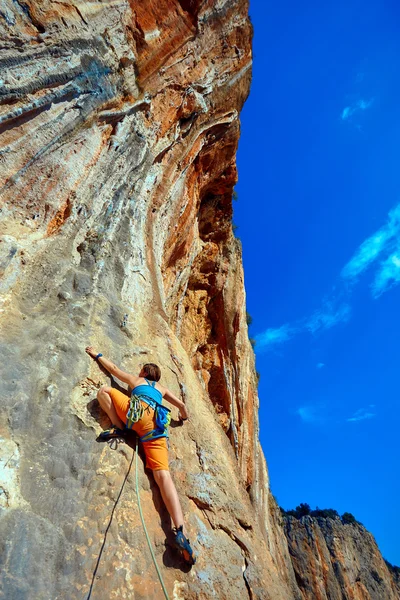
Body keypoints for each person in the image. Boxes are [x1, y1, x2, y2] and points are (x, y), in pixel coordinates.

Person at [85, 346, 195, 564]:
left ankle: (119, 427)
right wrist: (182, 417)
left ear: (144, 372)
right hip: (157, 427)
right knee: (163, 476)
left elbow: (114, 370)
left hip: (137, 415)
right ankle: (180, 529)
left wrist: (97, 354)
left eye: (141, 370)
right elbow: (181, 406)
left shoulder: (137, 381)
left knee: (104, 391)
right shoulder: (162, 389)